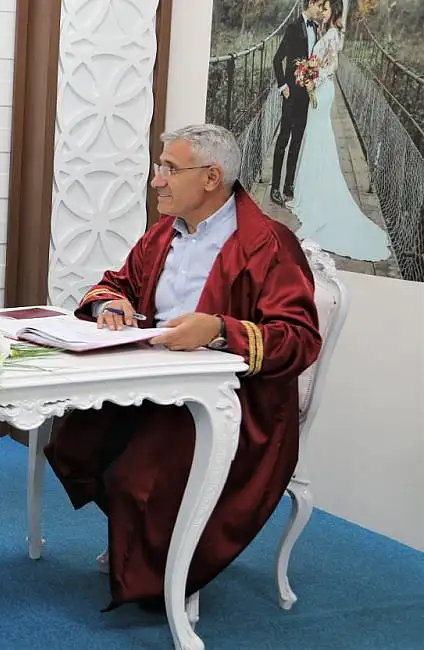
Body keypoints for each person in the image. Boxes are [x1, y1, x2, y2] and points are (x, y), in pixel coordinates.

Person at [44, 123, 323, 611]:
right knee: (76, 437)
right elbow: (116, 283)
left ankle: (169, 576)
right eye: (160, 167)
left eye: (170, 169)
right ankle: (147, 545)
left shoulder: (269, 244)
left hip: (232, 402)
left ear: (211, 177)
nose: (156, 180)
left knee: (139, 478)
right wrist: (111, 304)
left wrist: (219, 330)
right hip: (156, 383)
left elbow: (300, 338)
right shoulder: (162, 235)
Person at [289, 0, 392, 261]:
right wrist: (310, 75)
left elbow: (333, 65)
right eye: (321, 8)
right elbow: (320, 61)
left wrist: (315, 78)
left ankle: (317, 199)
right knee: (315, 139)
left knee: (318, 139)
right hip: (319, 89)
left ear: (333, 11)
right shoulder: (327, 33)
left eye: (325, 9)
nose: (322, 12)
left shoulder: (333, 34)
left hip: (322, 91)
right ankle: (309, 195)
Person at [271, 0, 327, 206]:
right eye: (319, 6)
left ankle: (289, 185)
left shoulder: (317, 28)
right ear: (311, 3)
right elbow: (277, 59)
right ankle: (274, 187)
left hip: (306, 94)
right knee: (283, 140)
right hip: (290, 94)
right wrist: (282, 86)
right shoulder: (294, 27)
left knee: (297, 141)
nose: (321, 10)